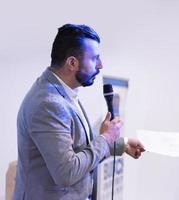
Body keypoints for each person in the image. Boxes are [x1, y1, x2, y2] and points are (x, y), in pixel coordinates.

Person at [13, 24, 145, 200]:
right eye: (95, 58)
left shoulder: (63, 90)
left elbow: (77, 147)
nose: (100, 65)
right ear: (72, 63)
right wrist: (105, 138)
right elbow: (67, 172)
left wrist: (123, 144)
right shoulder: (48, 104)